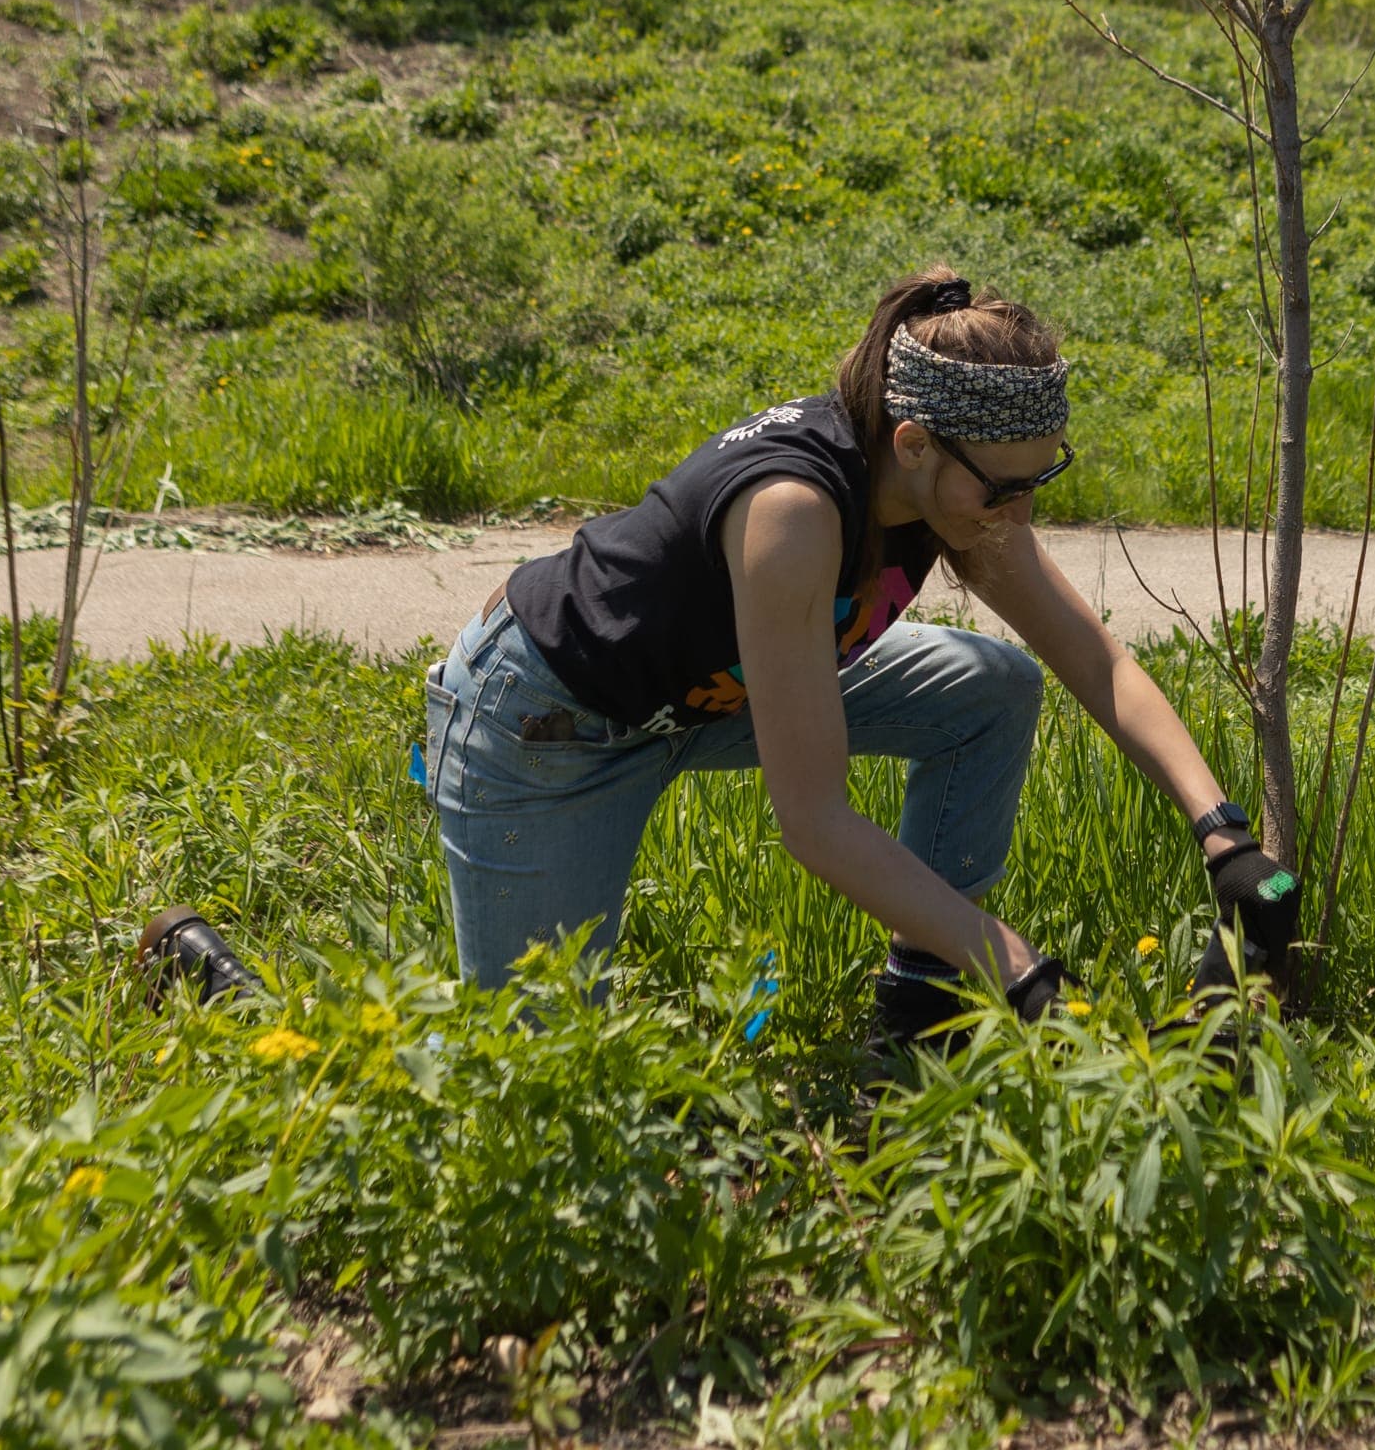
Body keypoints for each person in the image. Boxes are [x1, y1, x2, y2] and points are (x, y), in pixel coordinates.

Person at [421, 268, 1298, 1039]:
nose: (1021, 515)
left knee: (990, 689)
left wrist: (1222, 834)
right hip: (550, 723)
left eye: (1040, 480)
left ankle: (923, 1013)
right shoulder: (795, 511)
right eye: (1004, 487)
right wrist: (1012, 963)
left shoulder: (952, 488)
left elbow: (1096, 660)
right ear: (914, 444)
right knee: (538, 1069)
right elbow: (815, 822)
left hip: (709, 697)